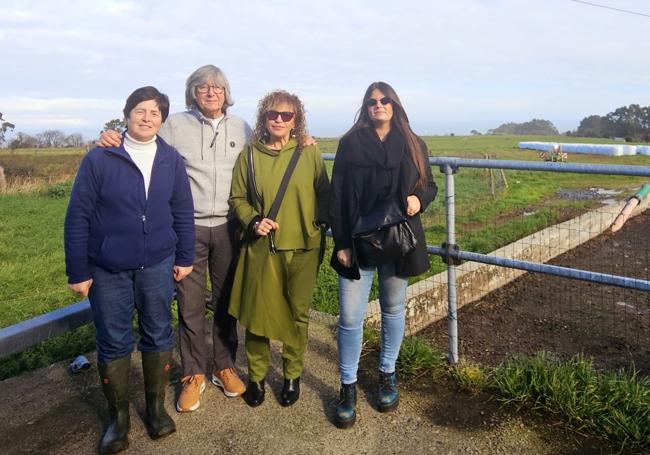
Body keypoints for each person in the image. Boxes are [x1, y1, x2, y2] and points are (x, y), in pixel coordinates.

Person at [99, 65, 252, 412]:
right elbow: (141, 139)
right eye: (202, 87)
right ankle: (193, 373)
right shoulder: (174, 125)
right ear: (193, 93)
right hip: (187, 228)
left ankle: (224, 365)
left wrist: (304, 140)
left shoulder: (243, 127)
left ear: (226, 92)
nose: (210, 92)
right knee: (190, 303)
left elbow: (270, 151)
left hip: (229, 226)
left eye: (217, 87)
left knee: (228, 300)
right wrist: (112, 137)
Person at [65, 86, 195, 453]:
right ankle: (118, 419)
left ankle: (154, 409)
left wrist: (184, 257)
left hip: (157, 263)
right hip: (107, 269)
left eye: (155, 113)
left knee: (158, 332)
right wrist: (78, 270)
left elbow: (183, 211)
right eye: (140, 110)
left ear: (162, 121)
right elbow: (78, 216)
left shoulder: (171, 159)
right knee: (113, 339)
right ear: (126, 115)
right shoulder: (100, 158)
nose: (147, 117)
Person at [329, 82, 437, 428]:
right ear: (366, 107)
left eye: (385, 100)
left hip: (399, 240)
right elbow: (339, 197)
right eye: (373, 101)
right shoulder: (350, 144)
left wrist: (419, 199)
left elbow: (428, 185)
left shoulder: (412, 143)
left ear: (394, 104)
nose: (379, 105)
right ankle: (347, 387)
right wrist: (341, 243)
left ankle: (387, 374)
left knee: (393, 310)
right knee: (349, 317)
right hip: (358, 244)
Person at [228, 90, 330, 407]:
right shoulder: (249, 155)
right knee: (259, 316)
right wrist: (253, 220)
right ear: (264, 117)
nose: (279, 119)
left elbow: (324, 194)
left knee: (297, 314)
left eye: (287, 115)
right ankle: (256, 378)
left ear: (296, 120)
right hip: (263, 247)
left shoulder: (309, 152)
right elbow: (237, 199)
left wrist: (322, 226)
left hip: (304, 246)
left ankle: (291, 375)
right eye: (273, 113)